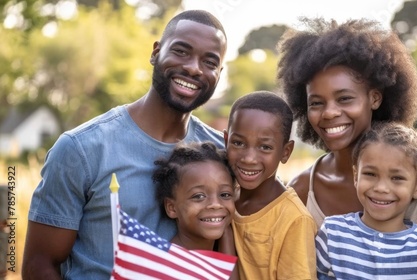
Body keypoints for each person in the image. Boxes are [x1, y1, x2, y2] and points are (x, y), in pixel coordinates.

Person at [22, 10, 228, 279]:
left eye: (210, 61)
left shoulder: (222, 155)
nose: (193, 67)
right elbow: (40, 265)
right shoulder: (81, 149)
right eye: (181, 51)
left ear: (219, 73)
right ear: (156, 52)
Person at [277, 18, 417, 279]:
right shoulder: (301, 190)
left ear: (375, 98)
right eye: (316, 103)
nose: (330, 113)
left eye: (344, 98)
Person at [316, 122, 417, 279]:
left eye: (397, 178)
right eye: (370, 174)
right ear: (356, 176)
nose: (381, 188)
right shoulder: (332, 233)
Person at [224, 91, 317, 280]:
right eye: (238, 143)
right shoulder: (222, 199)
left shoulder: (294, 220)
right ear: (226, 141)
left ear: (285, 152)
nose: (249, 158)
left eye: (265, 147)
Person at [153, 141, 238, 279]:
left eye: (225, 194)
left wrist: (226, 236)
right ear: (171, 207)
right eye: (198, 196)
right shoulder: (172, 267)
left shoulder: (217, 250)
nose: (215, 204)